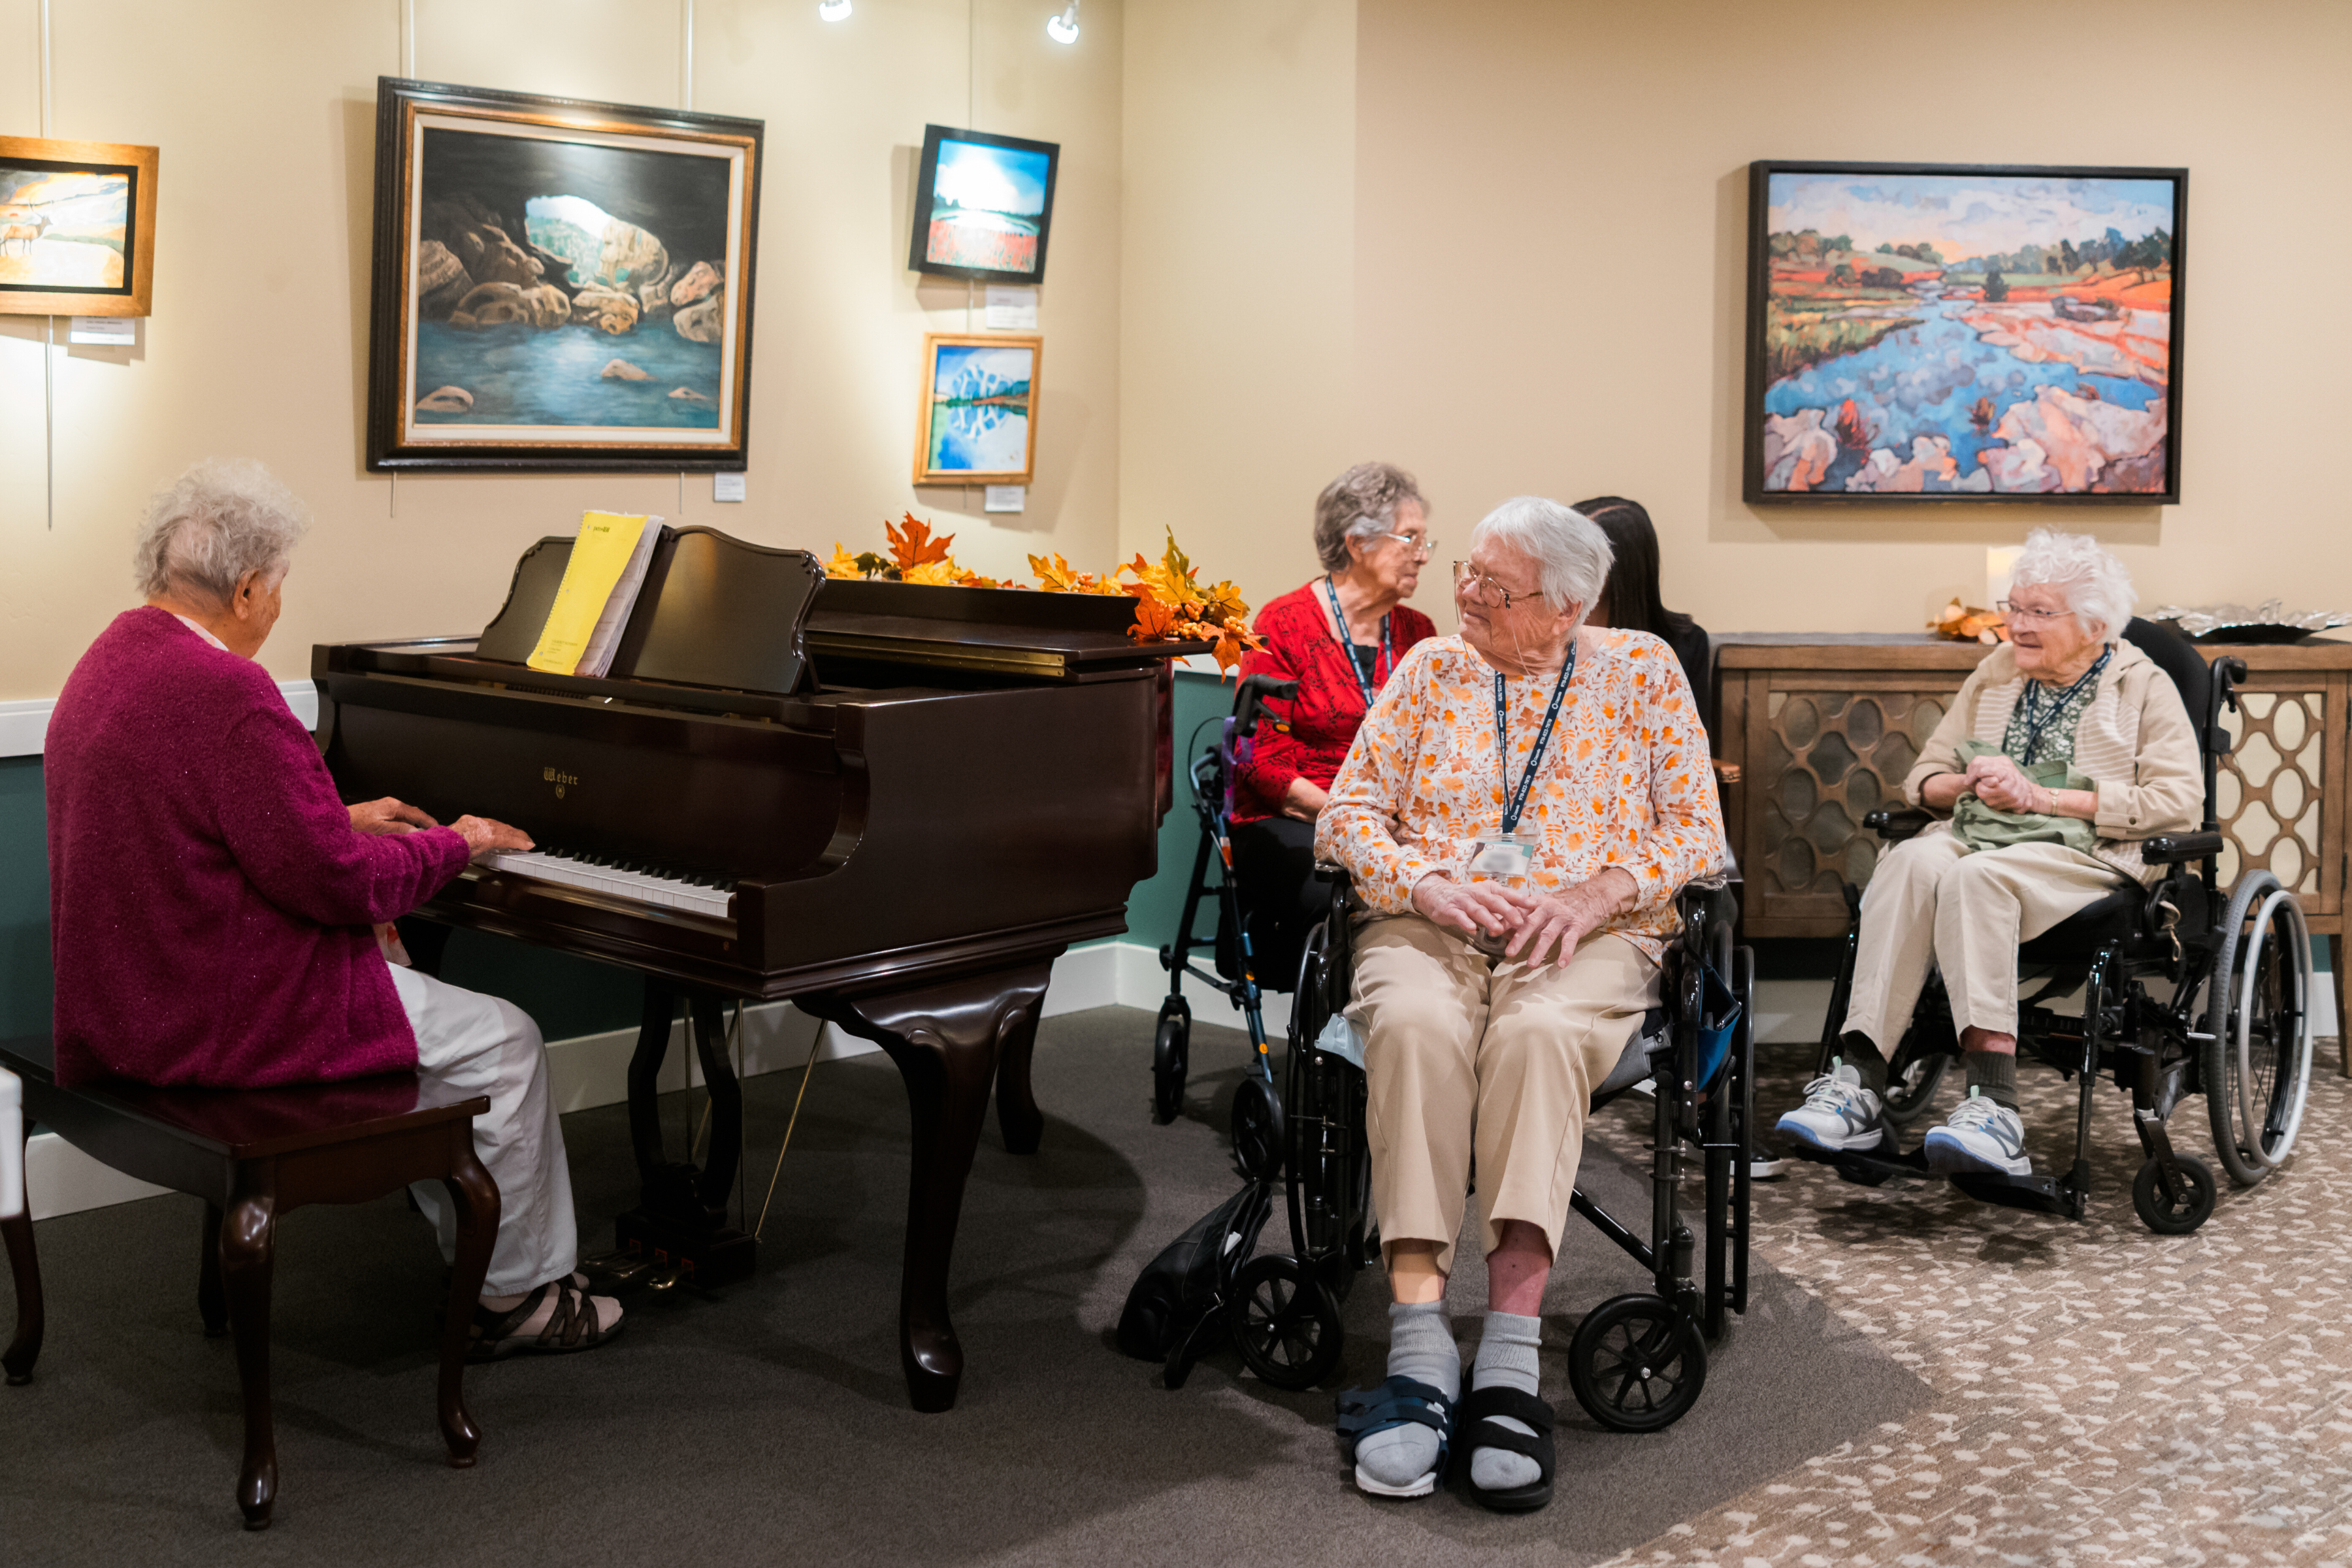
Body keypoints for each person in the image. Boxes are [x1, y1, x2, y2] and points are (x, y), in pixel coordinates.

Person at [44, 458, 622, 1358]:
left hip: (133, 1000)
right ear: (242, 588)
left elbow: (199, 819)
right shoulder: (228, 693)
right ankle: (517, 1298)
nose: (277, 607)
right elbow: (339, 884)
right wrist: (458, 841)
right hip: (215, 1015)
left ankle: (492, 1252)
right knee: (504, 1040)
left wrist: (336, 817)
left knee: (419, 1003)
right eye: (276, 587)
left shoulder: (111, 660)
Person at [1316, 497, 1726, 1511]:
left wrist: (1598, 892)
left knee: (1537, 1033)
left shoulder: (1641, 671)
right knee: (1412, 1025)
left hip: (1586, 932)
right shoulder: (1430, 669)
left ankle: (1506, 1356)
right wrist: (1424, 885)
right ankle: (1417, 1351)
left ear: (1567, 607)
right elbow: (1349, 814)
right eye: (1467, 573)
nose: (1464, 595)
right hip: (1430, 921)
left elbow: (1698, 836)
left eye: (1495, 590)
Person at [1776, 528, 2200, 1180]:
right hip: (1980, 832)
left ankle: (1994, 1107)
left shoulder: (2141, 686)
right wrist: (1968, 783)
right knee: (1910, 861)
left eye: (2038, 613)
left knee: (1977, 877)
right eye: (2014, 608)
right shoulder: (1995, 673)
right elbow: (1924, 778)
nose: (2017, 626)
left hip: (2088, 853)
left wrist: (2043, 798)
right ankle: (1858, 1083)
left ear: (2092, 625)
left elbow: (2177, 801)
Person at [1229, 462, 1437, 981]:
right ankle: (1338, 1043)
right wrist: (1355, 820)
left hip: (1389, 821)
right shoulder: (1283, 623)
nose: (1423, 555)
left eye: (1425, 541)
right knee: (1349, 897)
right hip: (1292, 820)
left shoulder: (1420, 632)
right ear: (1358, 543)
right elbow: (1257, 760)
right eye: (1410, 539)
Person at [1573, 495, 1714, 740]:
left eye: (1574, 555)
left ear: (1617, 567)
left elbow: (1691, 743)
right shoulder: (1548, 636)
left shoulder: (1685, 643)